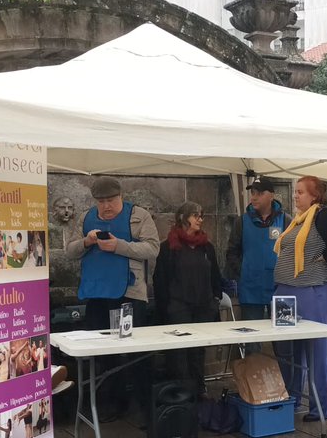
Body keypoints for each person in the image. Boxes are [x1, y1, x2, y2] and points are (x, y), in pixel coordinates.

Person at [65, 176, 160, 421]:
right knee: (102, 353)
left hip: (128, 294)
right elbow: (70, 251)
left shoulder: (138, 216)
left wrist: (119, 246)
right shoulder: (86, 218)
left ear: (121, 197)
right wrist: (87, 241)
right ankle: (110, 403)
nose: (106, 206)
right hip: (96, 294)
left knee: (134, 352)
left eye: (111, 200)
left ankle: (142, 407)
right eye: (101, 201)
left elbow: (152, 248)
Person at [273, 176, 327, 422]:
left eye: (300, 192)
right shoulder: (297, 220)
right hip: (286, 291)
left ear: (315, 195)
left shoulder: (325, 216)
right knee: (290, 350)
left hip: (312, 290)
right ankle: (291, 398)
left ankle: (322, 407)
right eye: (295, 191)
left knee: (319, 350)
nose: (295, 196)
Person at [154, 202, 224, 397]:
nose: (200, 220)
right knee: (179, 352)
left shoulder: (206, 247)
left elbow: (215, 275)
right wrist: (165, 307)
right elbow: (160, 279)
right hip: (178, 306)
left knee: (198, 350)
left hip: (203, 305)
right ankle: (181, 393)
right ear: (183, 218)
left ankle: (199, 390)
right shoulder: (169, 247)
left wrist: (215, 299)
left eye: (201, 216)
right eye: (195, 216)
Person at [227, 178, 292, 320]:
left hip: (280, 288)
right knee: (252, 331)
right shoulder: (241, 221)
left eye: (260, 193)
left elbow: (293, 253)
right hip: (250, 289)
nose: (254, 197)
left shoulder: (286, 220)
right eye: (253, 193)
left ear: (271, 195)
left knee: (283, 330)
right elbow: (232, 252)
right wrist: (243, 272)